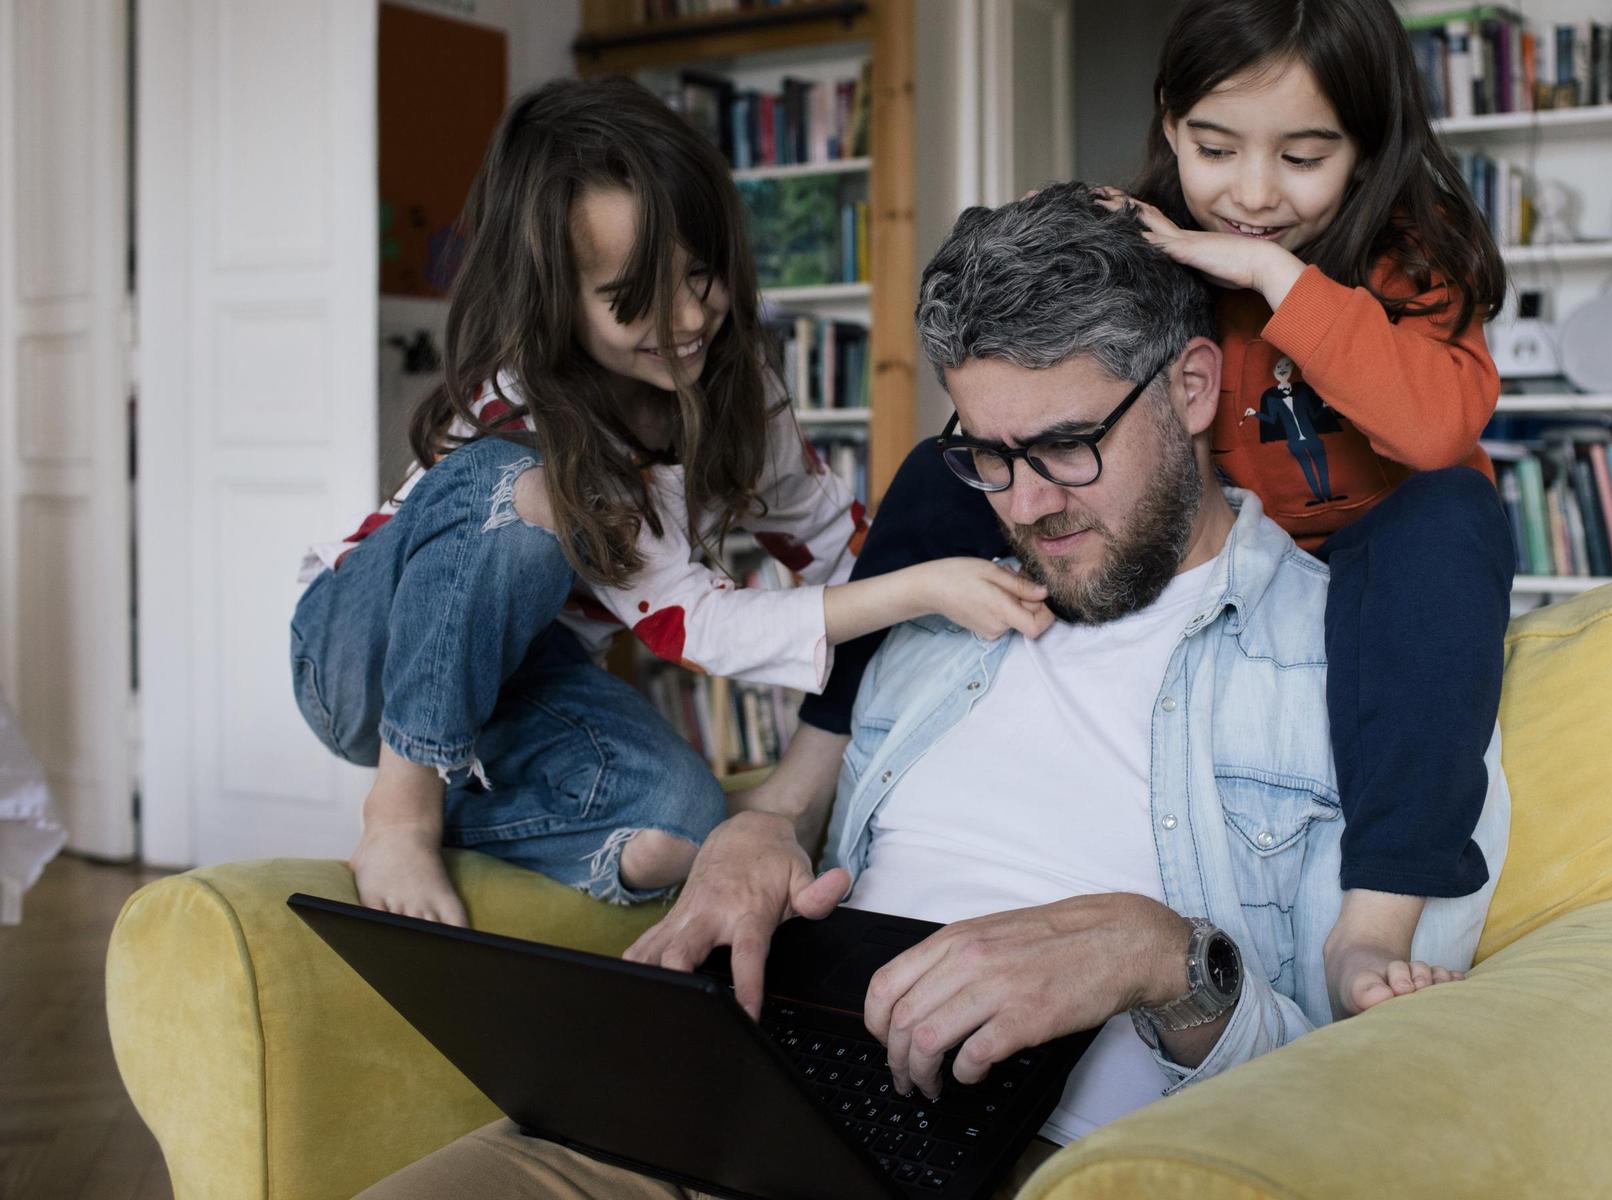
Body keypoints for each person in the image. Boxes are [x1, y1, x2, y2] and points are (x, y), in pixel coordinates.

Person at [359, 180, 1508, 1200]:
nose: (1025, 504)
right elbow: (802, 789)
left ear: (1193, 386)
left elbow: (1368, 1106)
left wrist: (1162, 960)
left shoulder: (1360, 658)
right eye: (985, 455)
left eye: (1064, 445)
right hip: (726, 1097)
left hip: (1033, 1158)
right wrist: (756, 839)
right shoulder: (938, 614)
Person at [715, 0, 1516, 1020]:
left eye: (1302, 156)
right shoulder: (1159, 237)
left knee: (1450, 515)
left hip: (1379, 535)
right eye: (1214, 147)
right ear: (1170, 126)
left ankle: (1372, 926)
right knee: (931, 471)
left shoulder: (1411, 259)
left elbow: (1433, 433)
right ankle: (796, 785)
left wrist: (1274, 279)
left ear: (1365, 151)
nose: (1253, 195)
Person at [289, 77, 1053, 928]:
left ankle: (499, 810)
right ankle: (401, 808)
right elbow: (694, 621)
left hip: (518, 683)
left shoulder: (737, 389)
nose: (689, 318)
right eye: (633, 301)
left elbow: (830, 537)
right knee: (520, 498)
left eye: (702, 275)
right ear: (555, 302)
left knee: (678, 824)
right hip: (356, 656)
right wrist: (921, 588)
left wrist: (921, 627)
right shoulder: (523, 407)